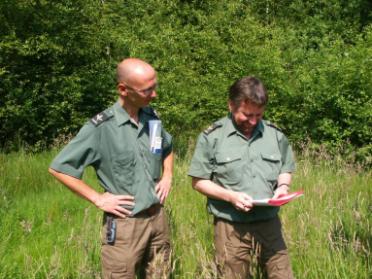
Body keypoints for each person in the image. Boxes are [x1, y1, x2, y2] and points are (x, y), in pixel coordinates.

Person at [49, 58, 174, 279]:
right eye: (147, 90)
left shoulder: (152, 118)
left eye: (155, 86)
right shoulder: (101, 128)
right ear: (123, 90)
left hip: (158, 219)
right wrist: (98, 198)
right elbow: (59, 168)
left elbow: (166, 148)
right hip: (126, 225)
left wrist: (168, 176)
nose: (154, 94)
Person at [188, 76, 295, 279]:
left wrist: (283, 187)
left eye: (258, 115)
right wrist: (231, 197)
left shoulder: (275, 135)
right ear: (231, 105)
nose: (253, 122)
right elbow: (199, 182)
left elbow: (285, 167)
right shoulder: (212, 137)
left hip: (269, 224)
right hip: (231, 227)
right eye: (246, 115)